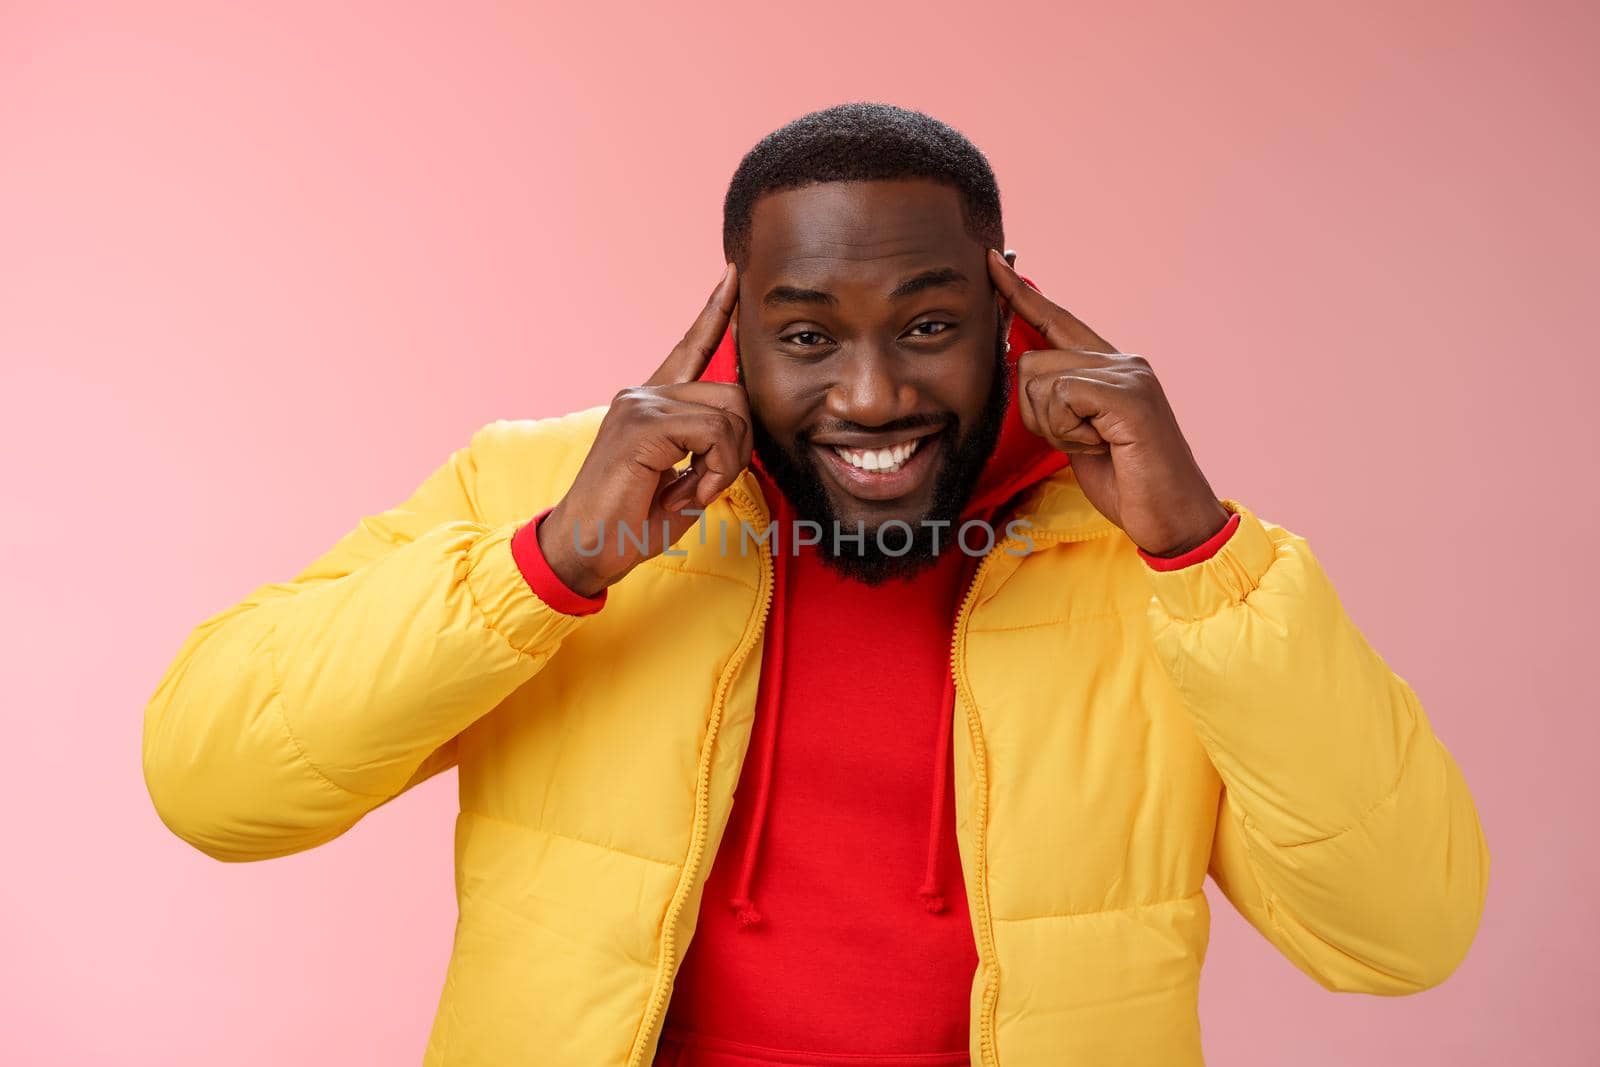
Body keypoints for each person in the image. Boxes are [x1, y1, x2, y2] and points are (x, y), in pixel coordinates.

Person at [142, 103, 1490, 1067]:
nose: (873, 394)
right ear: (734, 326)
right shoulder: (541, 493)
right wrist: (553, 566)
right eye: (805, 335)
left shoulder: (1163, 555)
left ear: (1011, 318)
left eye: (929, 325)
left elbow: (1398, 939)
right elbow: (215, 789)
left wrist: (1205, 553)